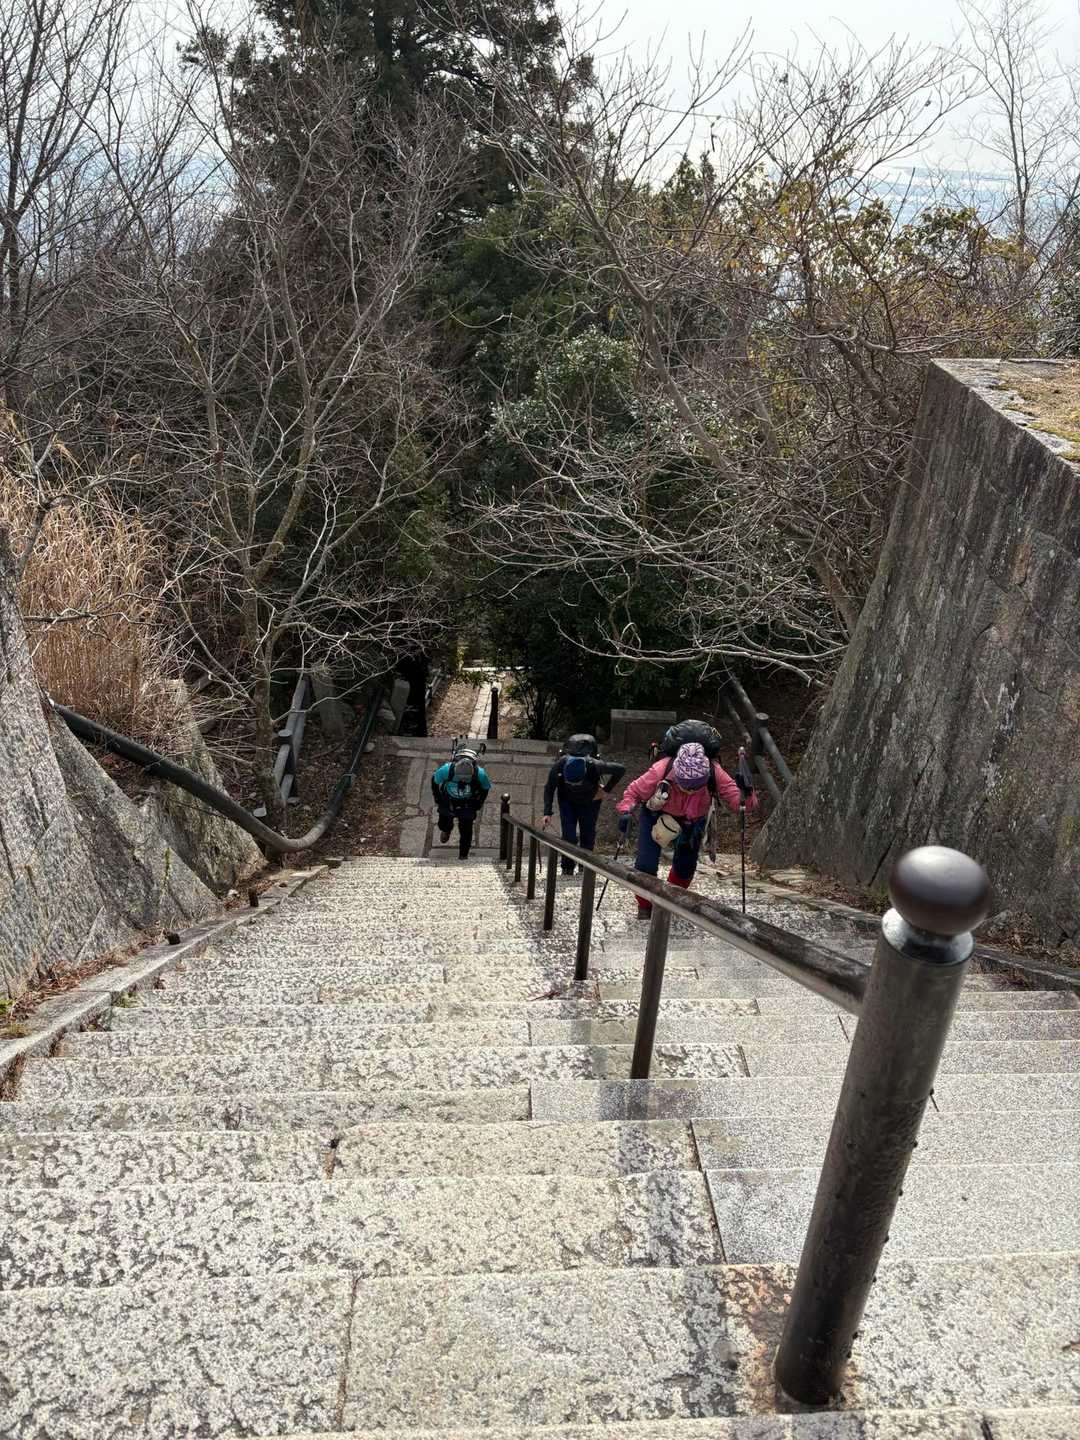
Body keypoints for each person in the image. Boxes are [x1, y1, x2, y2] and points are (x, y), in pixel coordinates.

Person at [616, 741, 756, 915]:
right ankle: (645, 906)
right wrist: (626, 811)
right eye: (684, 785)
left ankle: (670, 903)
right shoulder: (661, 769)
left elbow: (741, 803)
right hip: (655, 815)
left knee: (685, 868)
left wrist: (746, 793)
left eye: (696, 786)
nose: (690, 790)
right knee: (645, 865)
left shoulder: (714, 771)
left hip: (692, 823)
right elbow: (633, 792)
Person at [541, 733, 626, 875]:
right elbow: (549, 788)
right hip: (567, 800)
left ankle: (585, 865)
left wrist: (606, 790)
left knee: (588, 833)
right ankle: (567, 867)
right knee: (568, 834)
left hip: (590, 800)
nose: (575, 785)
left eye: (577, 783)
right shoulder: (560, 765)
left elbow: (621, 769)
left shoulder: (595, 765)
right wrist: (547, 812)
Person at [431, 750, 492, 859]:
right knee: (443, 823)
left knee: (466, 831)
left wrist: (479, 802)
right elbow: (434, 781)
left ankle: (463, 855)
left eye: (466, 778)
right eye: (460, 778)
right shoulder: (446, 770)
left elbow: (485, 788)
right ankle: (446, 830)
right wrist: (437, 797)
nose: (463, 780)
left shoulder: (480, 774)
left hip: (468, 803)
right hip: (448, 799)